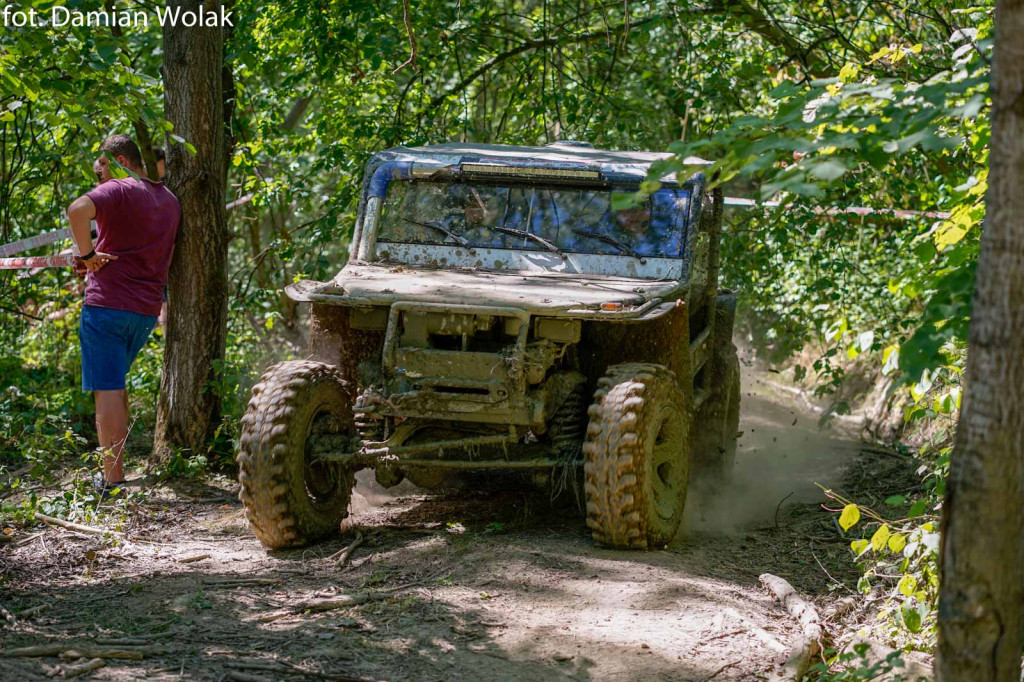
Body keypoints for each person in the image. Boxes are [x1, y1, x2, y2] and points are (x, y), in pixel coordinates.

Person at [67, 134, 181, 492]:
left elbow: (77, 210)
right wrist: (93, 252)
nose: (99, 175)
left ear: (122, 161)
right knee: (115, 386)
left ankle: (111, 480)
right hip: (144, 312)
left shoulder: (118, 189)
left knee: (108, 391)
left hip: (106, 307)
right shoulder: (170, 200)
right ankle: (115, 468)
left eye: (103, 166)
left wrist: (87, 255)